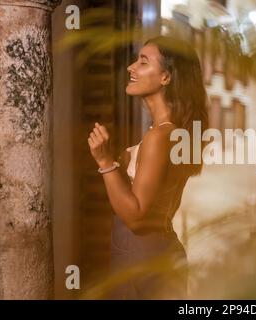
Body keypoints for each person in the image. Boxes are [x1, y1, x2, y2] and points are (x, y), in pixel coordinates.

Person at [87, 36, 209, 299]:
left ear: (165, 77)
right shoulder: (171, 133)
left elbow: (136, 215)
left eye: (143, 62)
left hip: (141, 258)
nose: (131, 67)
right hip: (152, 254)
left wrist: (105, 162)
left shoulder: (160, 137)